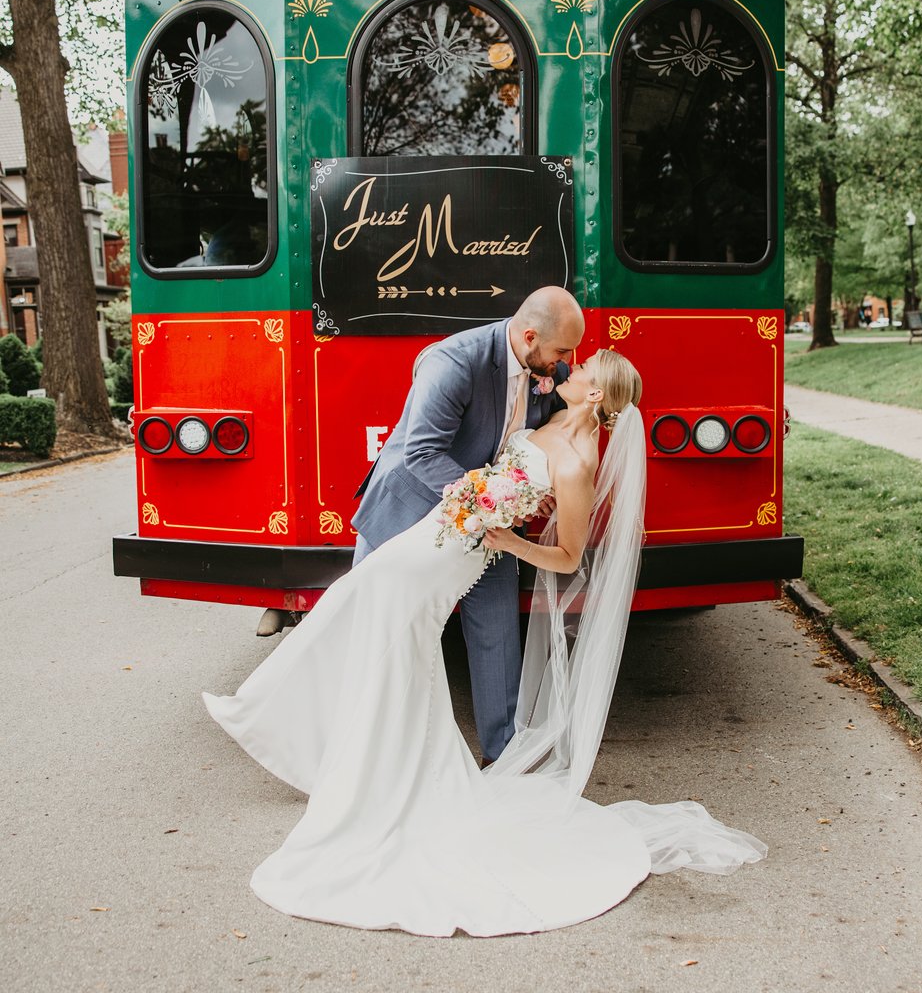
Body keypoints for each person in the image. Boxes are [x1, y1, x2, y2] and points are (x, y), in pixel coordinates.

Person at [204, 349, 765, 937]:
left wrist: (508, 538)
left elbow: (570, 556)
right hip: (439, 532)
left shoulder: (577, 462)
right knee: (369, 611)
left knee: (380, 616)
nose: (572, 370)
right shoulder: (551, 418)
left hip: (461, 550)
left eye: (585, 371)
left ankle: (329, 746)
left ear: (596, 396)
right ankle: (339, 746)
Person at [352, 285, 584, 764]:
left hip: (488, 522)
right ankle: (366, 751)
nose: (567, 361)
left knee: (497, 630)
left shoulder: (549, 372)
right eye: (562, 350)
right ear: (528, 336)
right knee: (380, 635)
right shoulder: (456, 361)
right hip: (411, 513)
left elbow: (558, 431)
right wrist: (490, 500)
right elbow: (421, 452)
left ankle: (503, 756)